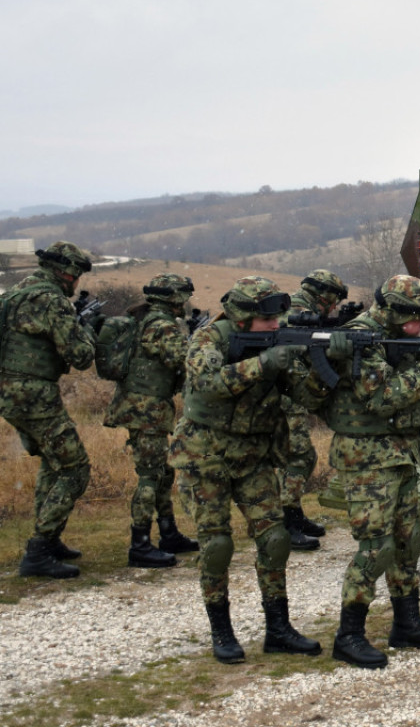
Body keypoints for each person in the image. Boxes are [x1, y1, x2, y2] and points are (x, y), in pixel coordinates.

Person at [170, 276, 333, 664]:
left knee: (275, 538)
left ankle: (278, 628)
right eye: (268, 321)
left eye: (279, 318)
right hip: (203, 455)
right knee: (217, 545)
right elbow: (208, 383)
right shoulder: (209, 339)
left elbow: (308, 396)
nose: (276, 325)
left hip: (254, 456)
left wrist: (323, 361)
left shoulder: (278, 342)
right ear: (243, 319)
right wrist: (263, 364)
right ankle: (221, 630)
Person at [322, 275, 420, 669]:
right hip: (368, 456)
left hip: (401, 450)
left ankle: (407, 624)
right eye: (417, 320)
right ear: (393, 312)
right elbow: (382, 398)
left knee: (408, 541)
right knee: (377, 548)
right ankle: (348, 635)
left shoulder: (401, 334)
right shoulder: (360, 339)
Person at [0, 241, 96, 579]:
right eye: (77, 276)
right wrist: (88, 331)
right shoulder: (52, 301)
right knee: (75, 469)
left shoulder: (17, 292)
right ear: (67, 273)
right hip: (34, 394)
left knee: (53, 463)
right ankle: (39, 550)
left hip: (10, 392)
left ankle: (50, 538)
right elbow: (81, 357)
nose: (77, 283)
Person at [104, 273, 200, 568]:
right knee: (150, 476)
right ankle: (140, 545)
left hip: (144, 407)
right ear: (173, 298)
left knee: (162, 472)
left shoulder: (148, 319)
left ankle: (168, 534)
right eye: (182, 296)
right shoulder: (162, 325)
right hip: (146, 410)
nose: (185, 302)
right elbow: (185, 362)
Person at [278, 268, 350, 550]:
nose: (334, 307)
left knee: (299, 457)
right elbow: (301, 354)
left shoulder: (303, 310)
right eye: (334, 301)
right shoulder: (297, 312)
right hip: (286, 396)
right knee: (299, 457)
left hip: (291, 393)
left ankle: (294, 515)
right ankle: (286, 523)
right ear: (325, 296)